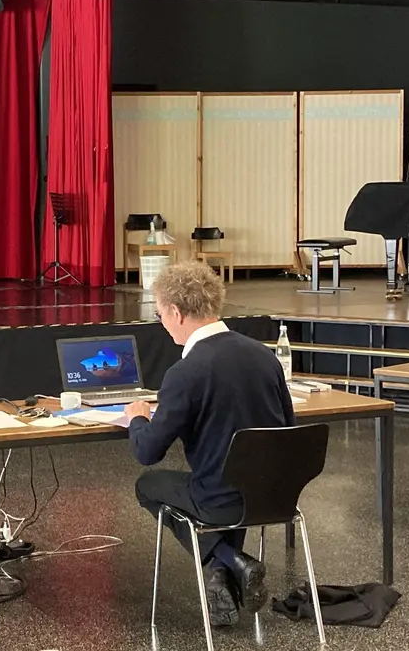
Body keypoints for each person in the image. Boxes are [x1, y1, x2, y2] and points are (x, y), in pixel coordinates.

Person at [124, 262, 296, 626]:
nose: (161, 322)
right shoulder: (265, 356)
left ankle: (232, 560)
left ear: (176, 312)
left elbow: (147, 452)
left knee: (147, 486)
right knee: (231, 479)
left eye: (159, 314)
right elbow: (288, 429)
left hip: (221, 501)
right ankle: (223, 573)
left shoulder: (186, 373)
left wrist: (139, 417)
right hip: (275, 496)